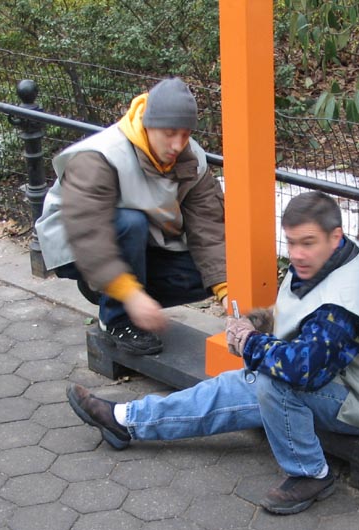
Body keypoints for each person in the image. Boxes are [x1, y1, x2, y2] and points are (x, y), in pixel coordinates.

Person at [66, 191, 359, 515]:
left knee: (272, 383)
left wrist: (249, 342)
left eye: (307, 243)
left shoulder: (343, 306)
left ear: (334, 237)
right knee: (227, 390)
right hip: (348, 378)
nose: (296, 254)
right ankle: (127, 420)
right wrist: (260, 320)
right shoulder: (337, 255)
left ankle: (311, 473)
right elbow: (309, 322)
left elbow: (302, 371)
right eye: (292, 242)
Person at [36, 77, 227, 355]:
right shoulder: (100, 156)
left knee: (204, 275)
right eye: (170, 133)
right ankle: (117, 317)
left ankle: (116, 293)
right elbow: (88, 231)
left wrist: (227, 292)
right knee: (129, 222)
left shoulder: (192, 158)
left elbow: (208, 228)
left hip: (140, 243)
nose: (177, 144)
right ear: (149, 125)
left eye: (185, 134)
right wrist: (129, 294)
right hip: (76, 244)